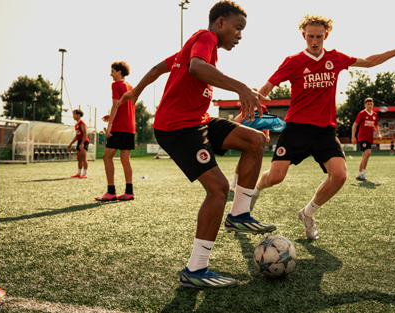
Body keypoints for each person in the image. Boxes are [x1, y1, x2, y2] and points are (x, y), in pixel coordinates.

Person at [118, 0, 273, 289]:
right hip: (177, 127)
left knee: (255, 140)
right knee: (217, 189)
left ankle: (239, 214)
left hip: (197, 121)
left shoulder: (194, 44)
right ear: (221, 22)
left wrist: (136, 92)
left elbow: (156, 67)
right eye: (238, 28)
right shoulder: (206, 38)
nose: (240, 35)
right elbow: (197, 68)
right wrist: (241, 88)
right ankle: (196, 269)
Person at [251, 14, 395, 240]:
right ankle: (255, 191)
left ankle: (308, 213)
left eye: (319, 36)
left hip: (324, 130)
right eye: (310, 36)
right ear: (303, 36)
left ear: (326, 35)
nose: (315, 41)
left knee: (339, 175)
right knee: (276, 177)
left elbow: (368, 62)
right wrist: (251, 105)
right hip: (297, 128)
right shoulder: (293, 61)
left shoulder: (335, 58)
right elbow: (268, 86)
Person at [96, 61, 137, 201]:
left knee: (107, 157)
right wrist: (112, 115)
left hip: (119, 127)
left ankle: (111, 191)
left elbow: (115, 105)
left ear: (119, 72)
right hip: (130, 127)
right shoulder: (130, 86)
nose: (110, 74)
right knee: (125, 160)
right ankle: (129, 191)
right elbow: (125, 107)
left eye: (112, 71)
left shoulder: (116, 85)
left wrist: (109, 126)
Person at [351, 97, 381, 180]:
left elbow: (376, 125)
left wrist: (379, 134)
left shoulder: (375, 115)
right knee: (368, 153)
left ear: (373, 105)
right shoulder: (361, 114)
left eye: (371, 104)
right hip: (362, 137)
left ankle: (359, 174)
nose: (369, 105)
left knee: (365, 156)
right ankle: (363, 173)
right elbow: (355, 125)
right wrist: (353, 137)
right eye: (368, 104)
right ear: (365, 105)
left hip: (370, 138)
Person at [66, 109, 90, 178]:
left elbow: (85, 133)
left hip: (84, 141)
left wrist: (82, 143)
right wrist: (71, 143)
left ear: (78, 115)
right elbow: (77, 136)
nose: (73, 116)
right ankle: (79, 173)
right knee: (79, 158)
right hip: (79, 141)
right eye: (73, 114)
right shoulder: (76, 124)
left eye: (74, 114)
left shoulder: (82, 123)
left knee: (83, 157)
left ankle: (85, 174)